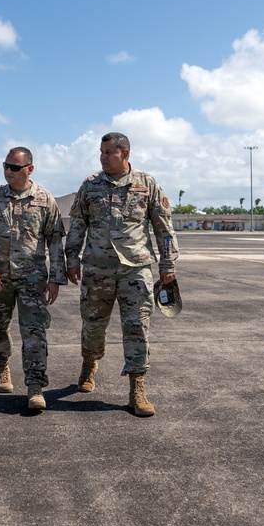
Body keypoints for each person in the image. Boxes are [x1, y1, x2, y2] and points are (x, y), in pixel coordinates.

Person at [64, 132, 178, 417]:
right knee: (92, 327)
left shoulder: (146, 183)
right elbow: (77, 223)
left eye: (107, 153)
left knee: (138, 327)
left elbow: (163, 227)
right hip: (97, 269)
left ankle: (137, 387)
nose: (102, 158)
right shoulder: (90, 185)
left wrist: (168, 264)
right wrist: (71, 258)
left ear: (124, 153)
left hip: (136, 269)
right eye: (100, 153)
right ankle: (90, 362)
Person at [0, 147, 66, 411]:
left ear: (29, 169)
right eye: (6, 166)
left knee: (35, 333)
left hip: (32, 281)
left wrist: (55, 279)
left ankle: (35, 387)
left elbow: (56, 241)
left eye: (14, 167)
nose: (8, 171)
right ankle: (2, 367)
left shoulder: (45, 200)